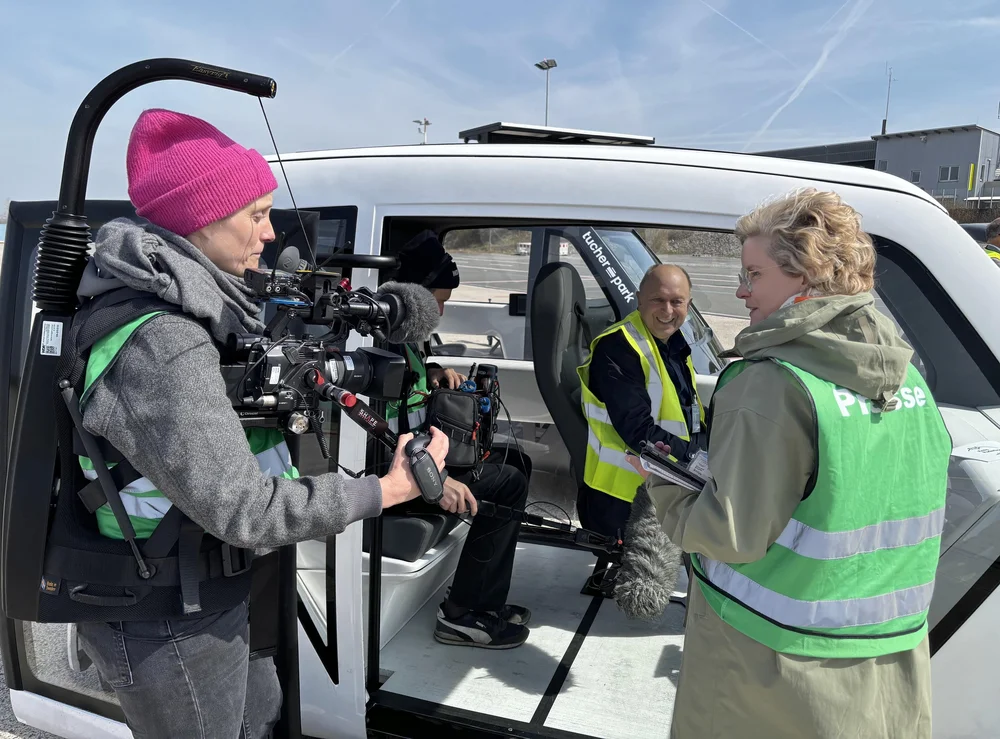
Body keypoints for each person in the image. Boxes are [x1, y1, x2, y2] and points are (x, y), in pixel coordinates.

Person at [71, 109, 453, 739]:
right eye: (255, 214)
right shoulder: (165, 340)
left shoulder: (204, 313)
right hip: (165, 616)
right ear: (200, 219)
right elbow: (245, 511)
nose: (270, 232)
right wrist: (385, 490)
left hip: (202, 589)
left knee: (263, 713)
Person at [630, 188, 951, 739]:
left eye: (753, 274)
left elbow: (729, 534)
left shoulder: (772, 383)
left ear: (803, 276)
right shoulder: (906, 377)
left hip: (770, 672)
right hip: (888, 664)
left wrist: (663, 487)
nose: (740, 290)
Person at [386, 230, 534, 650]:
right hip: (402, 475)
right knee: (508, 482)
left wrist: (431, 372)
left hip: (421, 458)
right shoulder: (380, 347)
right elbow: (378, 435)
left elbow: (408, 392)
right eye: (439, 299)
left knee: (515, 461)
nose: (441, 309)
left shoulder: (406, 339)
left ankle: (483, 598)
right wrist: (438, 478)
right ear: (412, 294)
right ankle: (463, 614)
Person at [576, 264, 708, 542]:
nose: (668, 311)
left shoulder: (673, 343)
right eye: (658, 300)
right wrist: (699, 462)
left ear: (689, 305)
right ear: (639, 300)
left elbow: (688, 411)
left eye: (677, 302)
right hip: (626, 499)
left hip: (665, 484)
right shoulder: (618, 347)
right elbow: (638, 430)